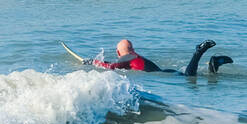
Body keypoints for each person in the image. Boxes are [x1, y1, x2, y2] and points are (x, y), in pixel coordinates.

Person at [90, 39, 233, 77]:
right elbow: (118, 64)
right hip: (165, 72)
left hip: (164, 74)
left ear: (118, 52)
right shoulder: (132, 57)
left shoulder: (125, 58)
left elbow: (112, 67)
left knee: (189, 77)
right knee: (193, 75)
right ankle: (213, 66)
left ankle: (199, 52)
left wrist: (91, 62)